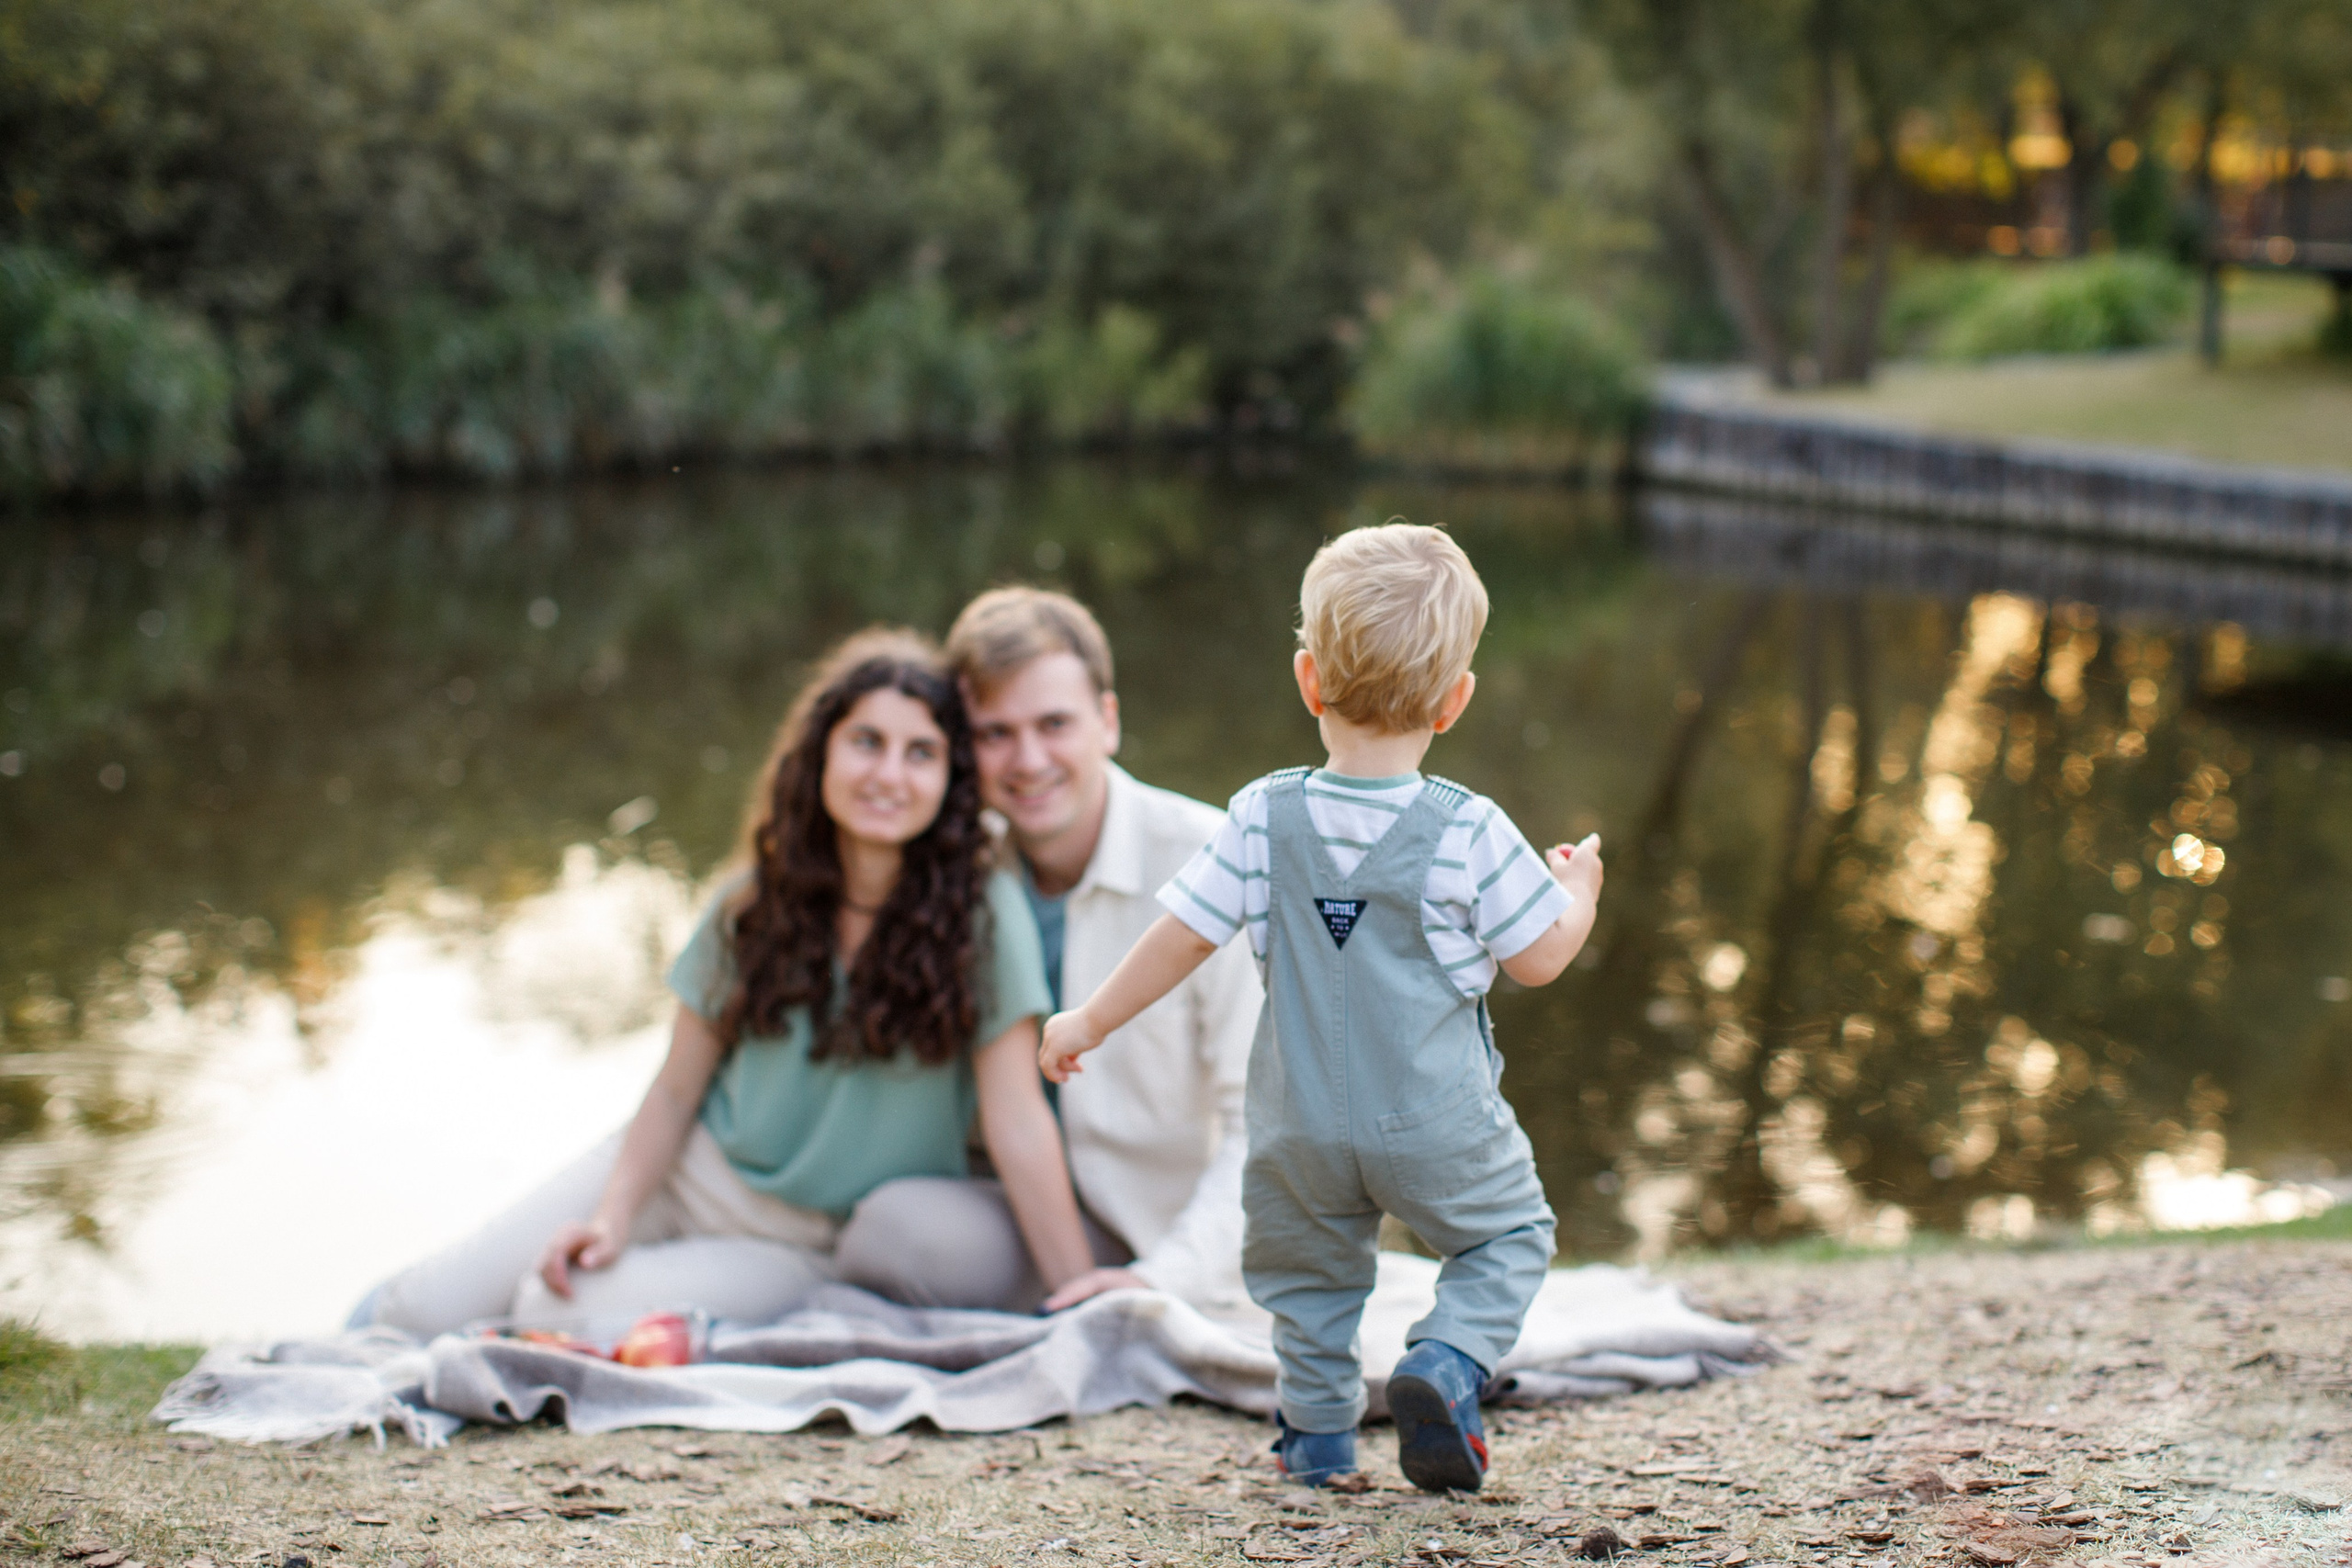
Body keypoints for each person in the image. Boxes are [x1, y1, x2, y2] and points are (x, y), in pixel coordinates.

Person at [1039, 524, 1606, 1494]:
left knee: (1308, 1277)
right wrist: (1580, 894)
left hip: (1297, 1116)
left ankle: (1316, 1442)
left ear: (1308, 681)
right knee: (1508, 1235)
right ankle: (1446, 1360)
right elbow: (1538, 960)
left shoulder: (1260, 813)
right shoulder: (1468, 830)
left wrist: (1087, 1019)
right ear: (1455, 700)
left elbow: (1181, 933)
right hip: (1434, 1116)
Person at [356, 628, 1093, 1335]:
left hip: (802, 1246)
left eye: (921, 752)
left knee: (551, 1311)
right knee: (422, 1309)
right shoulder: (752, 899)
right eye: (866, 741)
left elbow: (1018, 1119)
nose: (888, 775)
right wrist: (613, 1216)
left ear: (950, 780)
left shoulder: (984, 914)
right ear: (821, 754)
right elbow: (677, 1087)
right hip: (685, 1173)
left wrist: (1080, 1297)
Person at [831, 588, 1262, 1317]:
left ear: (1109, 721)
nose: (1028, 760)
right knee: (891, 1232)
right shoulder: (959, 870)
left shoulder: (1212, 865)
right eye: (995, 732)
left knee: (895, 1242)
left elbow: (1267, 1128)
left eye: (1054, 724)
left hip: (1152, 1233)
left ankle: (1099, 1308)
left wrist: (1167, 1279)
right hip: (1009, 1207)